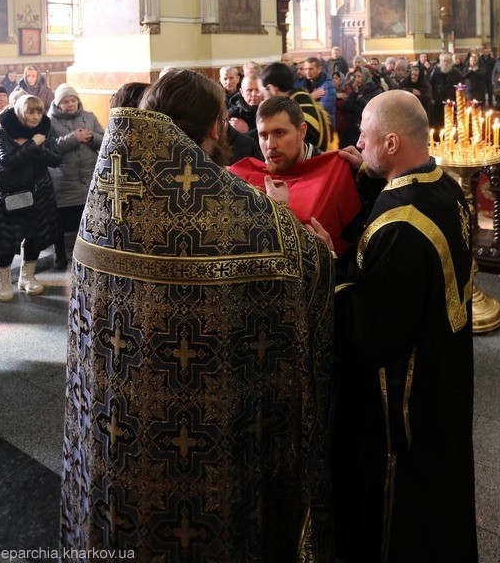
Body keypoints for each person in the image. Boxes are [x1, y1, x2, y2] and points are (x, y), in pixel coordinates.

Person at [60, 70, 334, 559]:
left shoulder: (107, 194)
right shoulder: (238, 212)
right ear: (214, 126)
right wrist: (309, 241)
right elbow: (308, 267)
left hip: (113, 433)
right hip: (200, 444)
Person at [330, 91, 477, 562]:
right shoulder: (445, 185)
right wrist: (367, 177)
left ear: (391, 143)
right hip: (446, 370)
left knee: (404, 512)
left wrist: (325, 264)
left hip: (405, 400)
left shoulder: (402, 224)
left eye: (365, 137)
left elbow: (369, 332)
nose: (357, 144)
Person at [229, 95, 361, 255]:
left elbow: (355, 248)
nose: (270, 145)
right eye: (263, 136)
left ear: (301, 132)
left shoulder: (334, 174)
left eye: (279, 133)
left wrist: (364, 176)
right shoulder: (245, 175)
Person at [0, 95, 62, 300]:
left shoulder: (45, 129)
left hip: (40, 192)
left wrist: (32, 146)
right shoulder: (4, 131)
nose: (35, 116)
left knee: (36, 236)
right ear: (20, 112)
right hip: (12, 194)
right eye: (30, 112)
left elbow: (56, 158)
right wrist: (33, 144)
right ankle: (3, 281)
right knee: (7, 240)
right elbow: (6, 162)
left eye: (39, 112)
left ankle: (27, 277)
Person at [47, 84, 105, 269]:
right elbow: (49, 148)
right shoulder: (49, 121)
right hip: (64, 178)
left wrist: (91, 137)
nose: (70, 104)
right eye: (65, 101)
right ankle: (60, 255)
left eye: (73, 100)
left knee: (89, 217)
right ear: (58, 104)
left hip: (88, 175)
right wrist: (73, 138)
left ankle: (89, 255)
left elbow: (105, 140)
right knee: (62, 220)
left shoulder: (90, 117)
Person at [261, 61, 334, 151]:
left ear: (272, 88)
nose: (262, 97)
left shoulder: (290, 111)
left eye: (263, 91)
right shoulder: (302, 97)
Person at [429, 52, 464, 126]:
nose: (445, 63)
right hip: (438, 100)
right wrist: (431, 98)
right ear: (441, 61)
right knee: (438, 121)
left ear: (451, 62)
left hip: (451, 100)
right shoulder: (436, 71)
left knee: (450, 120)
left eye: (448, 61)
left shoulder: (456, 72)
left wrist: (458, 101)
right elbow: (430, 84)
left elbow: (460, 87)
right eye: (444, 61)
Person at [228, 73, 265, 140]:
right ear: (241, 92)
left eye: (257, 90)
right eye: (249, 90)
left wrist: (248, 131)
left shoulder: (270, 110)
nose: (254, 94)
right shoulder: (233, 114)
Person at [302, 55, 337, 124]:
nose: (307, 72)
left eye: (311, 69)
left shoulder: (328, 86)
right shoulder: (303, 84)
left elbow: (325, 108)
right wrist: (310, 97)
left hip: (324, 125)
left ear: (319, 69)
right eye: (305, 69)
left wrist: (308, 99)